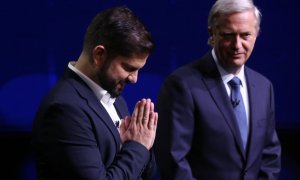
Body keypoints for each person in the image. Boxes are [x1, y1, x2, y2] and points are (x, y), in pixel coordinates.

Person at [154, 0, 281, 179]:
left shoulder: (263, 87)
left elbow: (270, 154)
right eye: (228, 35)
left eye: (245, 35)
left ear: (256, 34)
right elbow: (173, 160)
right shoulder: (182, 85)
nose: (237, 45)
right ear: (212, 34)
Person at [32, 6, 158, 180]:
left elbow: (142, 173)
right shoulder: (64, 110)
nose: (134, 79)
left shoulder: (115, 98)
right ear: (99, 55)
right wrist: (137, 146)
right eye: (129, 68)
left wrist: (143, 143)